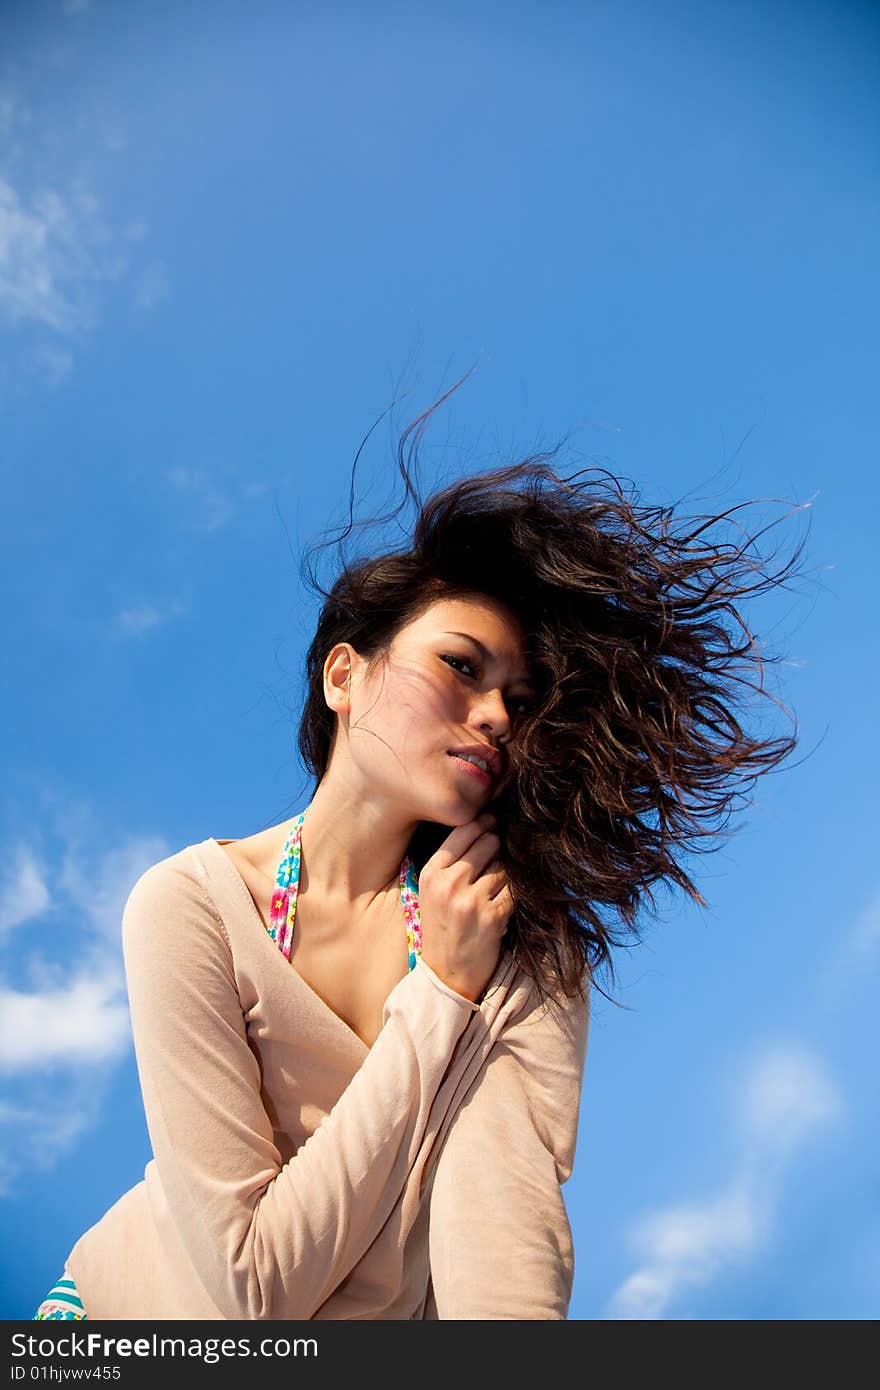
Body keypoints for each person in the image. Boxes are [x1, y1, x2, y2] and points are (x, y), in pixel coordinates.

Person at [33, 382, 806, 1320]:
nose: (493, 715)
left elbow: (503, 1245)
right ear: (344, 673)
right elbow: (249, 1287)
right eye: (461, 666)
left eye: (518, 702)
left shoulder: (518, 939)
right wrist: (438, 995)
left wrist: (464, 978)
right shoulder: (192, 905)